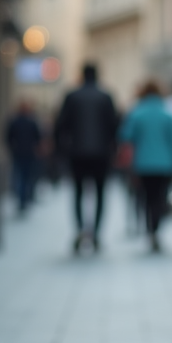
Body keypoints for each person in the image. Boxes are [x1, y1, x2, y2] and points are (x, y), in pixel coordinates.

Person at [54, 64, 118, 254]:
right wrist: (112, 149)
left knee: (78, 193)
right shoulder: (105, 97)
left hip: (77, 153)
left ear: (82, 75)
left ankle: (80, 230)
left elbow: (60, 125)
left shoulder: (72, 96)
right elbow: (114, 126)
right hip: (101, 154)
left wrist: (61, 150)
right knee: (100, 194)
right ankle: (96, 233)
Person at [118, 80, 172, 253]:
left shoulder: (136, 113)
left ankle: (150, 230)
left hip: (143, 164)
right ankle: (156, 229)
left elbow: (125, 136)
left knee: (146, 198)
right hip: (166, 164)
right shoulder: (169, 114)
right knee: (161, 197)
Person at [5, 100, 43, 215]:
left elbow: (8, 137)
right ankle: (25, 199)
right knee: (26, 177)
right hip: (27, 153)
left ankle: (23, 200)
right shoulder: (31, 122)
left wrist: (13, 148)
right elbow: (38, 138)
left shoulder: (15, 122)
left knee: (21, 177)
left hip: (20, 153)